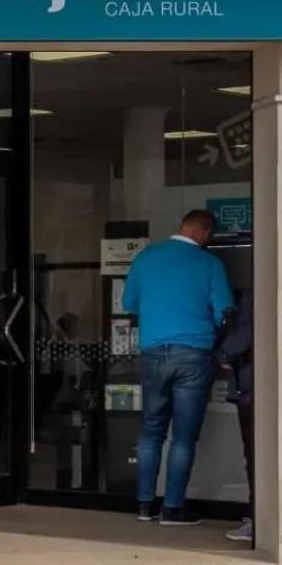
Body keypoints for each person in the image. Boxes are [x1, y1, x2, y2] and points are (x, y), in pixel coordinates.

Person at [122, 209, 234, 526]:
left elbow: (129, 303)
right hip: (193, 355)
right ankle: (172, 509)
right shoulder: (209, 264)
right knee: (183, 437)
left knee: (151, 432)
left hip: (153, 354)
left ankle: (145, 506)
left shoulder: (146, 258)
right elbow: (226, 312)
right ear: (205, 233)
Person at [219, 290, 253, 542]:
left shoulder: (258, 293)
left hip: (255, 389)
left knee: (256, 455)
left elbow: (246, 333)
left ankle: (258, 519)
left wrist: (223, 353)